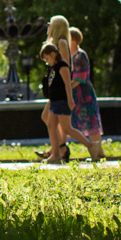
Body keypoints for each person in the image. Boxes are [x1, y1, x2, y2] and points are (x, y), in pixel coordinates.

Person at [40, 42, 103, 162]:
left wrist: (70, 99)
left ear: (53, 54)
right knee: (51, 125)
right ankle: (56, 154)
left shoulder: (62, 66)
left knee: (67, 128)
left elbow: (68, 84)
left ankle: (91, 146)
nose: (47, 62)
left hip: (62, 101)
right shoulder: (52, 68)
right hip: (54, 101)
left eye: (48, 58)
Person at [37, 15, 73, 161]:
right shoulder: (57, 43)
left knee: (51, 119)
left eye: (50, 24)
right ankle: (57, 148)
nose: (48, 27)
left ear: (57, 26)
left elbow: (65, 66)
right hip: (56, 89)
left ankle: (60, 148)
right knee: (49, 118)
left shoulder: (61, 42)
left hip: (60, 90)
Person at [68, 27, 104, 144]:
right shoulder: (70, 56)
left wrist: (65, 89)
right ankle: (98, 152)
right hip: (76, 94)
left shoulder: (79, 55)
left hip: (84, 95)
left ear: (73, 40)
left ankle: (98, 151)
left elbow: (79, 78)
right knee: (69, 124)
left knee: (91, 124)